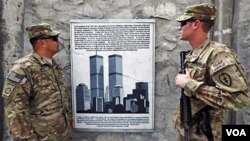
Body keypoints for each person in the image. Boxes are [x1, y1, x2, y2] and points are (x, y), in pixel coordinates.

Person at [174, 3, 250, 141]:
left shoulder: (218, 54)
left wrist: (190, 84)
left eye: (183, 22)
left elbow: (240, 99)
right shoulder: (193, 54)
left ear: (196, 24)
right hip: (189, 132)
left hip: (207, 135)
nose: (179, 27)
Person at [2, 23, 72, 141]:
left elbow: (61, 98)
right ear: (42, 42)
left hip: (62, 135)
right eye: (54, 39)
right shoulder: (22, 69)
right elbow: (14, 110)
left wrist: (68, 118)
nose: (58, 42)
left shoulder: (55, 66)